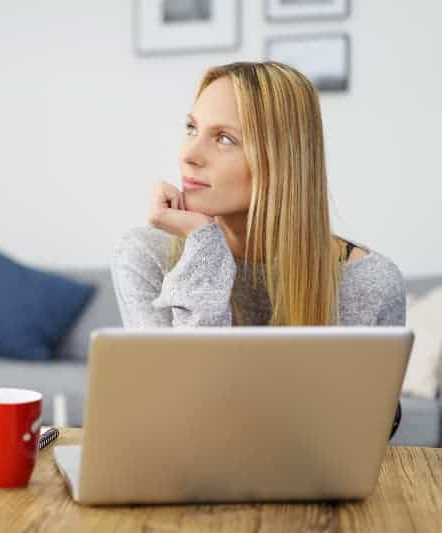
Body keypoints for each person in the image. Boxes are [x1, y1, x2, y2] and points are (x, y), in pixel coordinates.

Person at [110, 61, 404, 436]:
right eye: (192, 128)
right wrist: (203, 248)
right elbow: (184, 421)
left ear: (282, 161)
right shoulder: (145, 255)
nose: (188, 154)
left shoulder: (370, 282)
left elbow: (364, 433)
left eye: (224, 138)